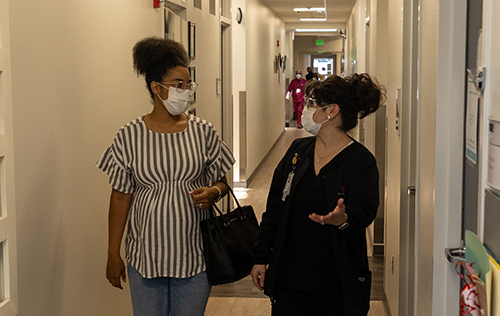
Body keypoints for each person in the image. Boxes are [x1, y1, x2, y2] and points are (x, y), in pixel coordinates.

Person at [96, 36, 235, 316]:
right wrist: (113, 253)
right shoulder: (129, 136)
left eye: (188, 84)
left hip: (194, 254)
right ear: (156, 88)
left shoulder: (203, 132)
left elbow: (222, 182)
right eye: (178, 85)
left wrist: (214, 192)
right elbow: (121, 197)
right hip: (145, 256)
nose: (186, 91)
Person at [250, 73, 386, 316]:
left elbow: (364, 211)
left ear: (331, 111)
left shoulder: (360, 161)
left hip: (334, 283)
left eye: (313, 103)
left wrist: (342, 219)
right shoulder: (298, 152)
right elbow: (275, 209)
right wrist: (261, 256)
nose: (307, 108)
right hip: (289, 280)